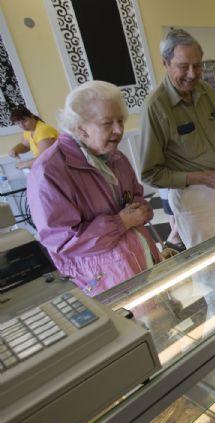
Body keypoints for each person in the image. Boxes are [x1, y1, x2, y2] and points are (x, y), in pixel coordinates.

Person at [28, 81, 160, 297]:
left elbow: (135, 194)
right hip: (103, 281)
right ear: (80, 128)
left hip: (141, 261)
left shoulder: (115, 156)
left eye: (120, 121)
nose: (118, 130)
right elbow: (63, 242)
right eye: (107, 123)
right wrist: (121, 222)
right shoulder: (48, 171)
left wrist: (142, 209)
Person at [140, 28, 215, 249]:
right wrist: (200, 178)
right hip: (195, 198)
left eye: (197, 65)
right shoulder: (156, 106)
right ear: (165, 63)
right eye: (183, 67)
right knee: (213, 266)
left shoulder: (207, 91)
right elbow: (150, 174)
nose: (192, 74)